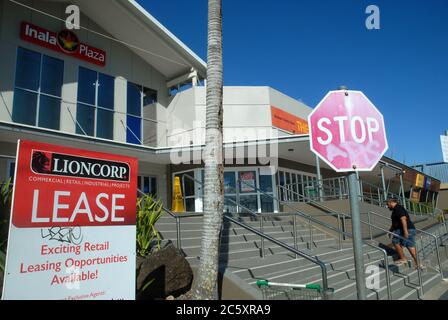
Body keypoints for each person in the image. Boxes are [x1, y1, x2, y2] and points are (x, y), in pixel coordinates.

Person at [386, 198, 420, 269]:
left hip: (405, 229)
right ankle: (417, 263)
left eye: (387, 204)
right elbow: (395, 223)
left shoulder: (398, 208)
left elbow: (403, 219)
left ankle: (404, 259)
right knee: (408, 245)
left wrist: (405, 231)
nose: (387, 206)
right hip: (405, 229)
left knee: (397, 242)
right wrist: (390, 231)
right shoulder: (396, 210)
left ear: (391, 202)